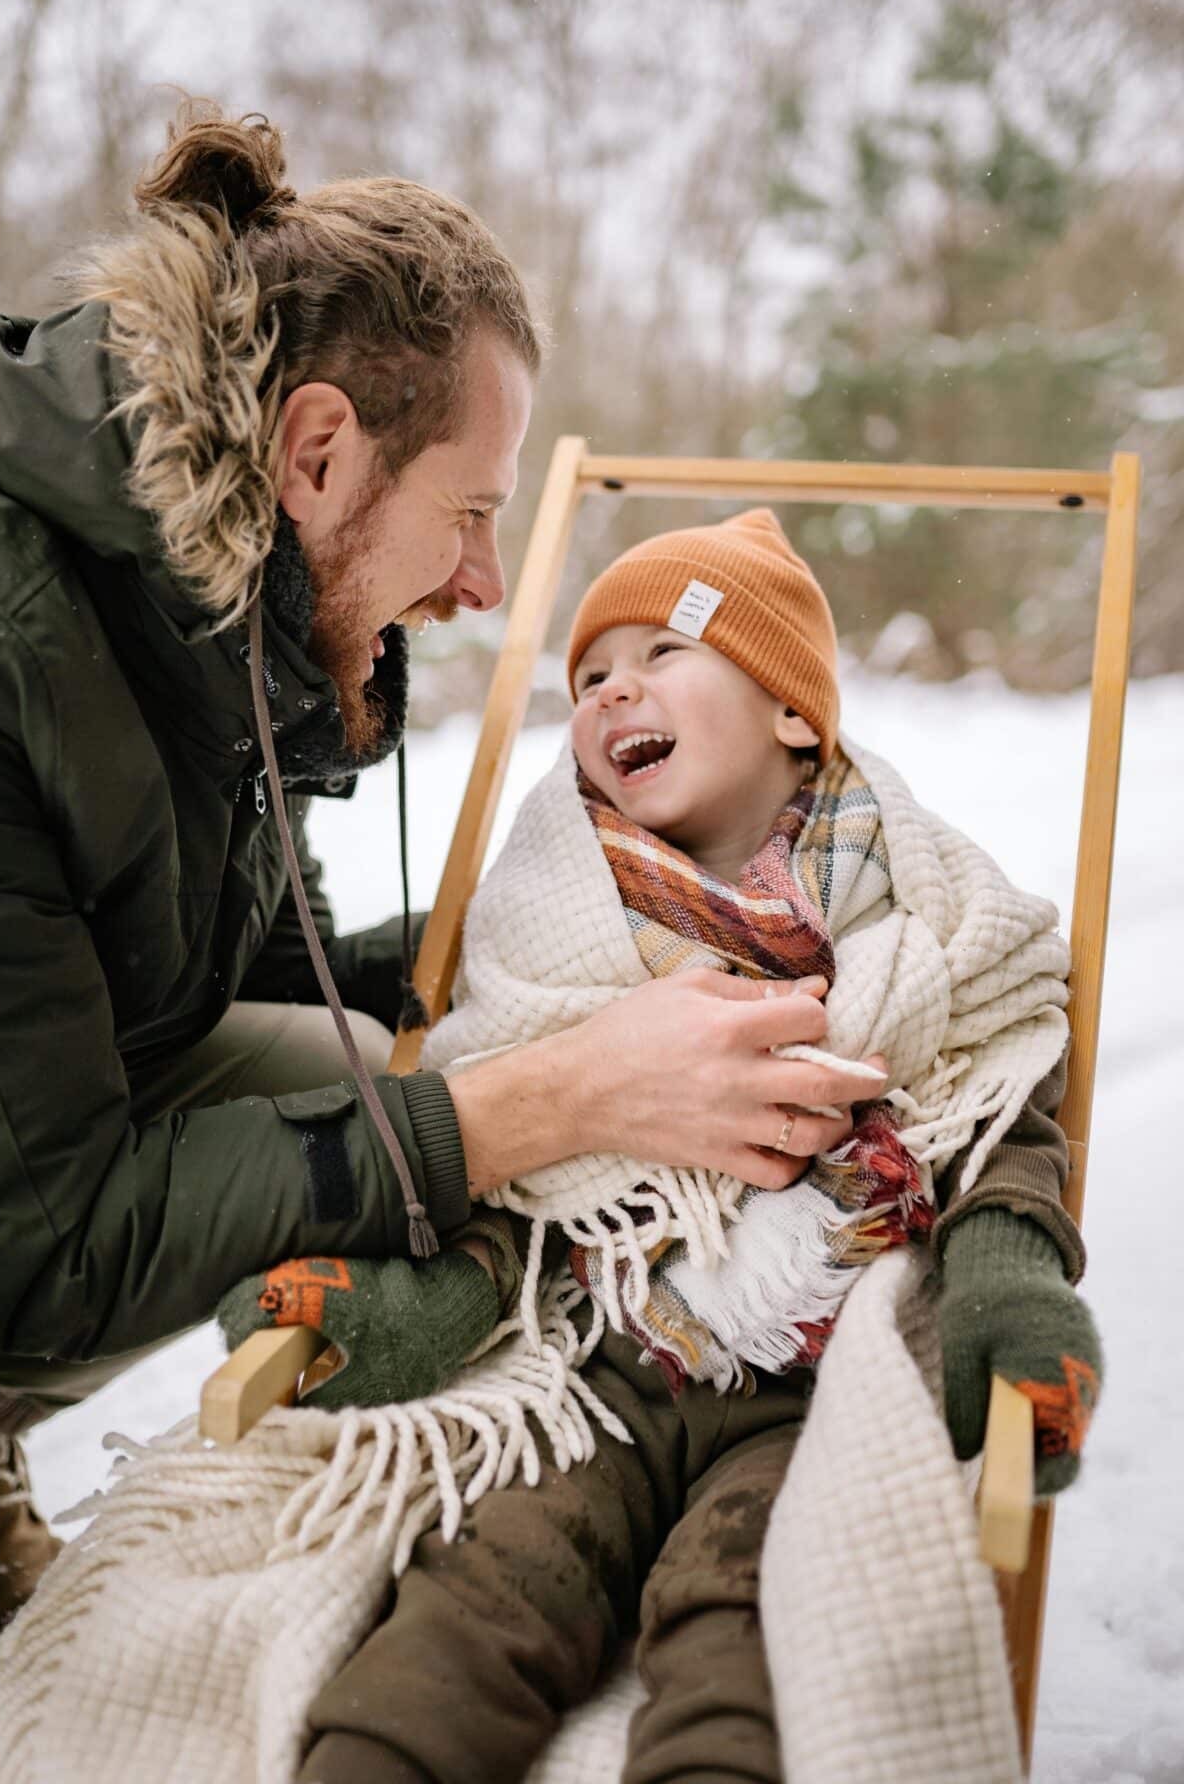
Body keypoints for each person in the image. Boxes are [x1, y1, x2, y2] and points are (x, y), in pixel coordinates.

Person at [0, 108, 871, 1651]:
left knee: (365, 1065)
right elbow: (67, 1239)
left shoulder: (204, 584)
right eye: (473, 513)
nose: (486, 581)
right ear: (319, 451)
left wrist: (603, 932)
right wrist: (562, 1099)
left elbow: (234, 974)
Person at [217, 510, 1101, 1784]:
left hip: (801, 1391)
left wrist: (1010, 1285)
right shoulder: (547, 935)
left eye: (665, 649)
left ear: (796, 715)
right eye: (587, 677)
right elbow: (515, 1166)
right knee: (481, 1587)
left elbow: (996, 1125)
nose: (612, 688)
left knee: (744, 1615)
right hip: (594, 1362)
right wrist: (406, 1310)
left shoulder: (927, 934)